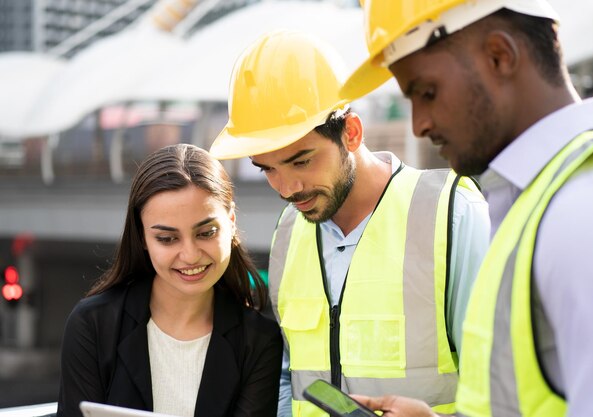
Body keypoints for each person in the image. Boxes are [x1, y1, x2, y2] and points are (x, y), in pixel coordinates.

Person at [340, 0, 593, 416]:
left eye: (427, 92)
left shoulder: (586, 213)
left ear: (499, 56)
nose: (419, 122)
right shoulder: (538, 201)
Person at [210, 30, 490, 417]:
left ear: (352, 133)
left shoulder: (452, 213)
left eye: (301, 161)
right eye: (267, 169)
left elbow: (502, 389)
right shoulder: (289, 232)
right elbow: (290, 377)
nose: (287, 188)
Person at [57, 144, 283, 417]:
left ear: (231, 221)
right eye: (167, 239)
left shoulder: (258, 341)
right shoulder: (94, 325)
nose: (190, 255)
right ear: (142, 237)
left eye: (206, 232)